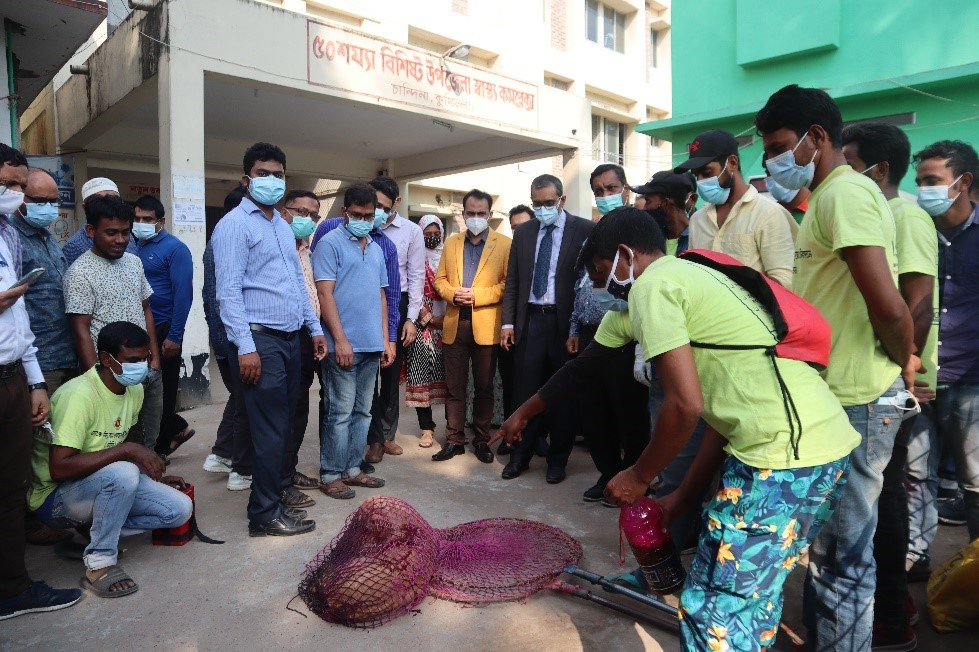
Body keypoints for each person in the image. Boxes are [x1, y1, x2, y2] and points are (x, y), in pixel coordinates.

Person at [493, 207, 857, 652]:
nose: (600, 287)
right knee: (733, 593)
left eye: (602, 273)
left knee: (718, 613)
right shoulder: (670, 285)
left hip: (784, 460)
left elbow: (685, 406)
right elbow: (586, 371)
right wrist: (524, 412)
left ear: (626, 256)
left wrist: (638, 476)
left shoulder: (656, 285)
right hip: (804, 450)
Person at [755, 84, 915, 652]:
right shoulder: (822, 199)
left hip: (859, 397)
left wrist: (901, 366)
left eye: (778, 146)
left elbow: (889, 304)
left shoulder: (846, 195)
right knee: (827, 554)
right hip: (836, 392)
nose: (772, 161)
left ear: (816, 137)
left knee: (844, 558)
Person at [842, 122, 938, 648]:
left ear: (878, 170)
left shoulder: (906, 216)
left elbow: (915, 301)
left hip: (892, 379)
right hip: (874, 374)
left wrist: (906, 366)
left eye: (851, 162)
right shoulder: (870, 211)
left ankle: (892, 611)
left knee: (887, 499)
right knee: (876, 497)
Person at [28, 321, 192, 598]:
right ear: (106, 358)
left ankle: (97, 530)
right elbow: (58, 468)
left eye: (146, 358)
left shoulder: (134, 389)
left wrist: (154, 476)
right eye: (133, 360)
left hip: (99, 483)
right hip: (54, 500)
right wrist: (127, 452)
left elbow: (113, 446)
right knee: (124, 470)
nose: (142, 365)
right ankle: (99, 564)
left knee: (178, 509)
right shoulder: (78, 396)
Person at [212, 142, 326, 537]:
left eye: (278, 174)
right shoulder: (233, 225)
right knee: (269, 429)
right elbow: (227, 292)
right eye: (264, 174)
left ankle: (274, 499)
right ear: (247, 179)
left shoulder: (279, 224)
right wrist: (244, 346)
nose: (272, 181)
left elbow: (297, 281)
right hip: (260, 340)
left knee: (286, 422)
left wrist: (313, 328)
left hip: (291, 338)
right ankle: (263, 514)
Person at [0, 143, 82, 619]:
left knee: (38, 451)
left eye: (18, 185)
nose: (17, 196)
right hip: (34, 362)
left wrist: (32, 380)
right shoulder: (15, 235)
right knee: (32, 456)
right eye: (11, 187)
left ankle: (19, 564)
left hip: (36, 361)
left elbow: (21, 322)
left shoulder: (33, 237)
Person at [500, 174, 593, 483]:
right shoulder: (524, 232)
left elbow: (588, 284)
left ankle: (558, 461)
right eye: (536, 204)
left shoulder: (583, 230)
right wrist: (509, 322)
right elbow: (512, 281)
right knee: (524, 392)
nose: (542, 209)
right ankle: (519, 456)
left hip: (565, 324)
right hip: (531, 322)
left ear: (562, 201)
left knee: (563, 396)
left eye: (548, 204)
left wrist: (577, 328)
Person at [912, 140, 979, 547]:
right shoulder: (917, 233)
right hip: (920, 376)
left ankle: (971, 574)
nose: (923, 191)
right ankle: (914, 561)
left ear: (962, 182)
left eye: (932, 181)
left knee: (974, 483)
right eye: (919, 182)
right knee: (916, 477)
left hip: (971, 380)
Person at [570, 169, 650, 503]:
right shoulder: (593, 232)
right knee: (592, 409)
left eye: (611, 188)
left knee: (628, 412)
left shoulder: (640, 229)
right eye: (598, 190)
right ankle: (605, 473)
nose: (605, 194)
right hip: (591, 333)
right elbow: (581, 283)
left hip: (626, 336)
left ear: (626, 189)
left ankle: (631, 476)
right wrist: (574, 327)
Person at [63, 195, 164, 453]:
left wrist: (154, 361)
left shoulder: (134, 263)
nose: (120, 240)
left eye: (125, 232)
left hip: (144, 369)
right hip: (111, 375)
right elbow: (80, 330)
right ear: (91, 231)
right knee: (115, 447)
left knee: (147, 440)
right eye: (111, 233)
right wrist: (96, 381)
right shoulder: (80, 272)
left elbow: (146, 309)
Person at [311, 191, 400, 477]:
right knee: (339, 414)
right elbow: (324, 295)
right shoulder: (329, 244)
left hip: (372, 346)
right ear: (344, 210)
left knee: (363, 413)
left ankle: (352, 468)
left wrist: (385, 340)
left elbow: (383, 297)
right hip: (343, 347)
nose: (362, 221)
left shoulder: (375, 248)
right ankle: (331, 473)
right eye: (356, 215)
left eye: (368, 216)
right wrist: (340, 341)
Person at [432, 190, 510, 464]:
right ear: (463, 214)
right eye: (471, 213)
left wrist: (478, 295)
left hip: (486, 325)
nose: (475, 218)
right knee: (454, 388)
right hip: (455, 323)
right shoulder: (452, 243)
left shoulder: (504, 244)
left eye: (481, 213)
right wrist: (452, 293)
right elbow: (440, 279)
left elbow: (506, 285)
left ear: (489, 214)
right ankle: (454, 440)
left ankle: (481, 439)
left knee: (484, 387)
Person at [676, 129, 797, 287]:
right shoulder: (698, 220)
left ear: (732, 163)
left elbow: (784, 282)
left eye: (707, 172)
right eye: (696, 175)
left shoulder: (767, 214)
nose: (700, 181)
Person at [365, 176, 425, 463]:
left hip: (397, 304)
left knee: (389, 375)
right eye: (373, 204)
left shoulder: (411, 232)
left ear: (396, 203)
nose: (377, 211)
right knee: (365, 373)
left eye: (382, 206)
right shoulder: (360, 225)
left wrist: (411, 319)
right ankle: (371, 437)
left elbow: (416, 277)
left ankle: (386, 436)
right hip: (364, 303)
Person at [132, 195, 195, 463]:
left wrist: (175, 336)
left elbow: (184, 295)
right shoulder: (133, 244)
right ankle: (174, 430)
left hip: (164, 327)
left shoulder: (175, 249)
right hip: (139, 329)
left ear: (161, 222)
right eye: (137, 219)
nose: (141, 223)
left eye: (147, 219)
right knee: (143, 390)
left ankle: (159, 447)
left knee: (164, 391)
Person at [200, 187, 254, 491]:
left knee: (240, 399)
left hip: (223, 335)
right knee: (245, 401)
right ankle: (229, 458)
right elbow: (223, 297)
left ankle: (222, 454)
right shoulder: (227, 242)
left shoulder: (215, 243)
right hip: (232, 337)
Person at [10, 169, 78, 393]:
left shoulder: (47, 237)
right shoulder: (11, 239)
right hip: (39, 361)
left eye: (53, 201)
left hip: (68, 355)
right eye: (39, 201)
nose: (48, 208)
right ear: (20, 196)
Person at [277, 189, 323, 507]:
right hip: (282, 337)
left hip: (307, 337)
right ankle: (277, 482)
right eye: (301, 211)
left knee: (299, 408)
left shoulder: (306, 248)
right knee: (282, 412)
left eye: (313, 215)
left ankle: (289, 471)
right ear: (284, 211)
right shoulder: (275, 245)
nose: (307, 219)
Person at [404, 215, 448, 448]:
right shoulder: (415, 258)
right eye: (427, 234)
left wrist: (446, 319)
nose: (432, 238)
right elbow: (413, 290)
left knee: (453, 377)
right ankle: (427, 429)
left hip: (450, 321)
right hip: (423, 324)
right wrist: (429, 318)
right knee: (421, 373)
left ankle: (453, 428)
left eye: (435, 233)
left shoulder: (450, 257)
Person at [496, 205, 535, 457]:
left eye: (523, 226)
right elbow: (507, 288)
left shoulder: (544, 249)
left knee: (536, 387)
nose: (519, 232)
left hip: (541, 327)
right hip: (512, 328)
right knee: (512, 385)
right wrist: (507, 324)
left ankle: (535, 438)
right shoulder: (510, 252)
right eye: (514, 228)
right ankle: (509, 437)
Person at [61, 177, 135, 267]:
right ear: (85, 208)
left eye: (114, 201)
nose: (120, 240)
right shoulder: (73, 246)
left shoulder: (127, 236)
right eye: (101, 202)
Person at [632, 170, 697, 254]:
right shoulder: (649, 239)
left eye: (648, 202)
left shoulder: (697, 238)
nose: (644, 208)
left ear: (666, 203)